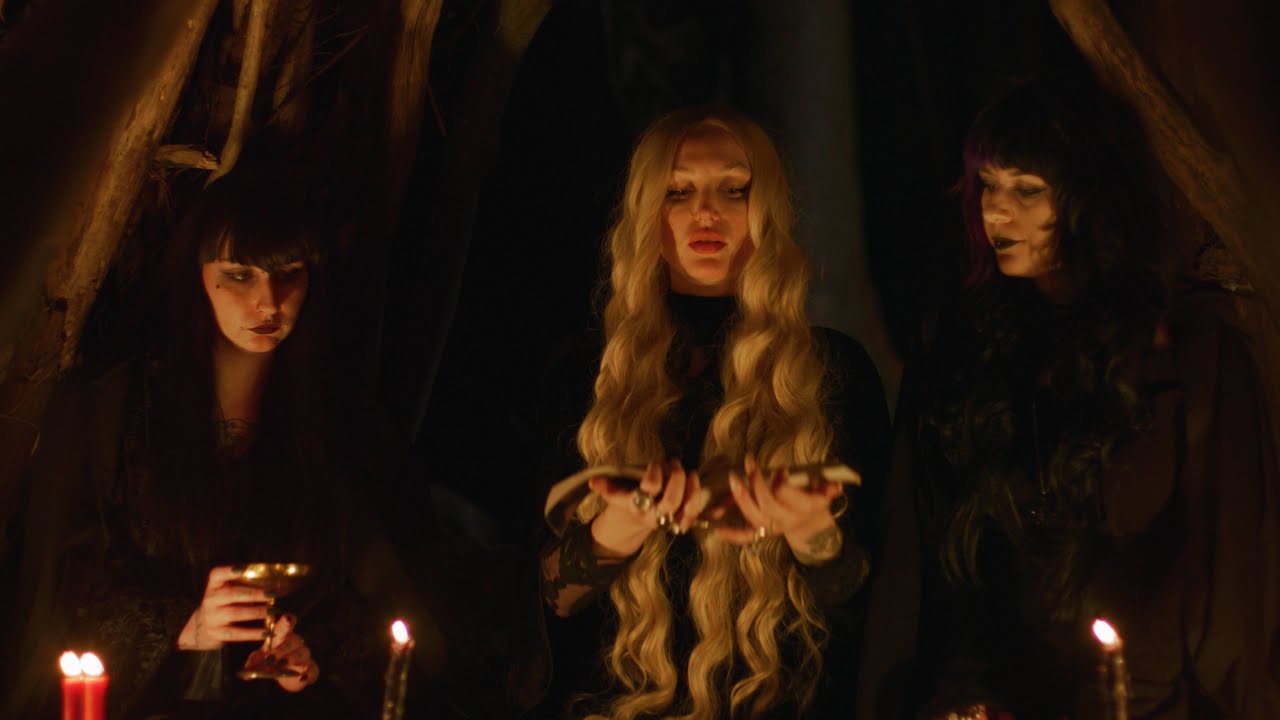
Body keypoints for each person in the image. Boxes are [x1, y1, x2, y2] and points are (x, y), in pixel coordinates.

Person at [866, 79, 1279, 719]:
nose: (996, 212)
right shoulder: (972, 347)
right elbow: (949, 561)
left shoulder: (1187, 354)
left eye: (1027, 190)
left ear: (1091, 198)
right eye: (987, 186)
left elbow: (1219, 569)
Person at [1, 146, 388, 719]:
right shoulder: (115, 410)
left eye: (289, 274)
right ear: (197, 277)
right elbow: (58, 590)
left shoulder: (325, 423)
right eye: (239, 275)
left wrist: (307, 657)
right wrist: (185, 625)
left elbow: (365, 594)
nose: (268, 301)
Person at [536, 107, 891, 719]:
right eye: (678, 192)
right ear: (648, 212)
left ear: (766, 208)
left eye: (734, 189)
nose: (707, 212)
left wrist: (812, 534)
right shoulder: (591, 375)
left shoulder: (833, 372)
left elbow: (872, 605)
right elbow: (546, 603)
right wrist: (615, 531)